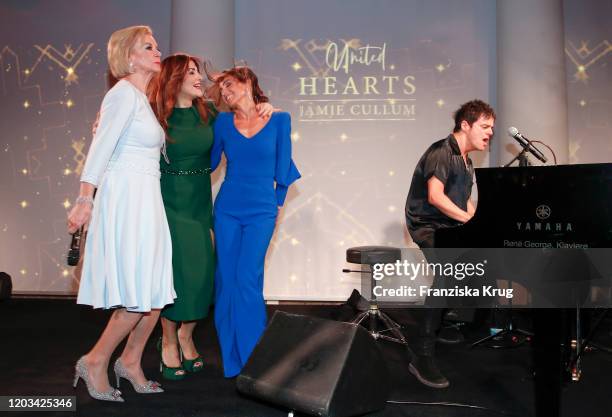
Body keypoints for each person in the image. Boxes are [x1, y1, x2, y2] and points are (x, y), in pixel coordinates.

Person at [147, 55, 275, 379]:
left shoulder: (210, 113)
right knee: (178, 270)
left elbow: (244, 120)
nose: (198, 78)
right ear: (174, 78)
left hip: (200, 197)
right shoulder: (155, 115)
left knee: (203, 271)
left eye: (197, 72)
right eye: (191, 72)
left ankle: (186, 335)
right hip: (167, 197)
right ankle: (167, 341)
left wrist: (266, 106)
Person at [67, 25, 172, 401]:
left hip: (147, 199)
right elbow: (100, 147)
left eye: (157, 45)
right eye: (149, 46)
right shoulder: (123, 94)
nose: (157, 51)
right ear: (128, 56)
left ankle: (129, 361)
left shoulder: (142, 98)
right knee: (136, 294)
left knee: (156, 294)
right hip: (127, 201)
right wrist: (84, 198)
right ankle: (95, 360)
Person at [210, 66, 300, 377]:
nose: (225, 92)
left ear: (248, 82)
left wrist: (276, 207)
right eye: (222, 89)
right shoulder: (222, 122)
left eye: (229, 84)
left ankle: (252, 358)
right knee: (226, 279)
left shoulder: (279, 119)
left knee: (247, 277)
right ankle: (230, 357)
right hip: (227, 209)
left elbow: (284, 171)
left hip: (261, 210)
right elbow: (208, 163)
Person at [404, 99, 495, 388]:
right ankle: (422, 354)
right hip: (427, 224)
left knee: (479, 263)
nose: (490, 133)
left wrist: (478, 222)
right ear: (465, 125)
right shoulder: (442, 151)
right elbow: (436, 196)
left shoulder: (467, 161)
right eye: (484, 126)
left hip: (448, 224)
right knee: (446, 274)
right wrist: (470, 223)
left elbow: (462, 200)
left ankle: (444, 321)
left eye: (492, 128)